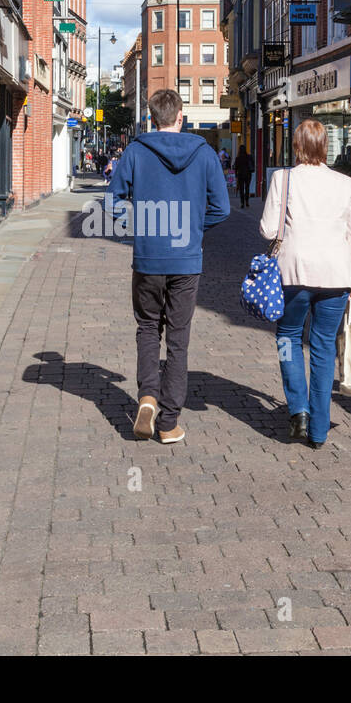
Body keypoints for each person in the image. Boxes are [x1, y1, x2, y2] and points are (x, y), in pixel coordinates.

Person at [109, 88, 230, 444]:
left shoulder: (135, 151)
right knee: (179, 338)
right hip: (186, 259)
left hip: (148, 257)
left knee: (148, 328)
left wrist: (138, 225)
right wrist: (191, 228)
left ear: (151, 117)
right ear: (181, 117)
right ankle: (168, 422)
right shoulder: (204, 153)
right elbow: (221, 208)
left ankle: (147, 395)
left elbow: (112, 200)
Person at [260, 119, 351, 449]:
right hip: (336, 276)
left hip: (294, 273)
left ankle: (299, 409)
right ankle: (319, 430)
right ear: (325, 147)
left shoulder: (283, 178)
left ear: (296, 147)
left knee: (288, 336)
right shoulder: (346, 184)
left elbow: (267, 229)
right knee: (323, 348)